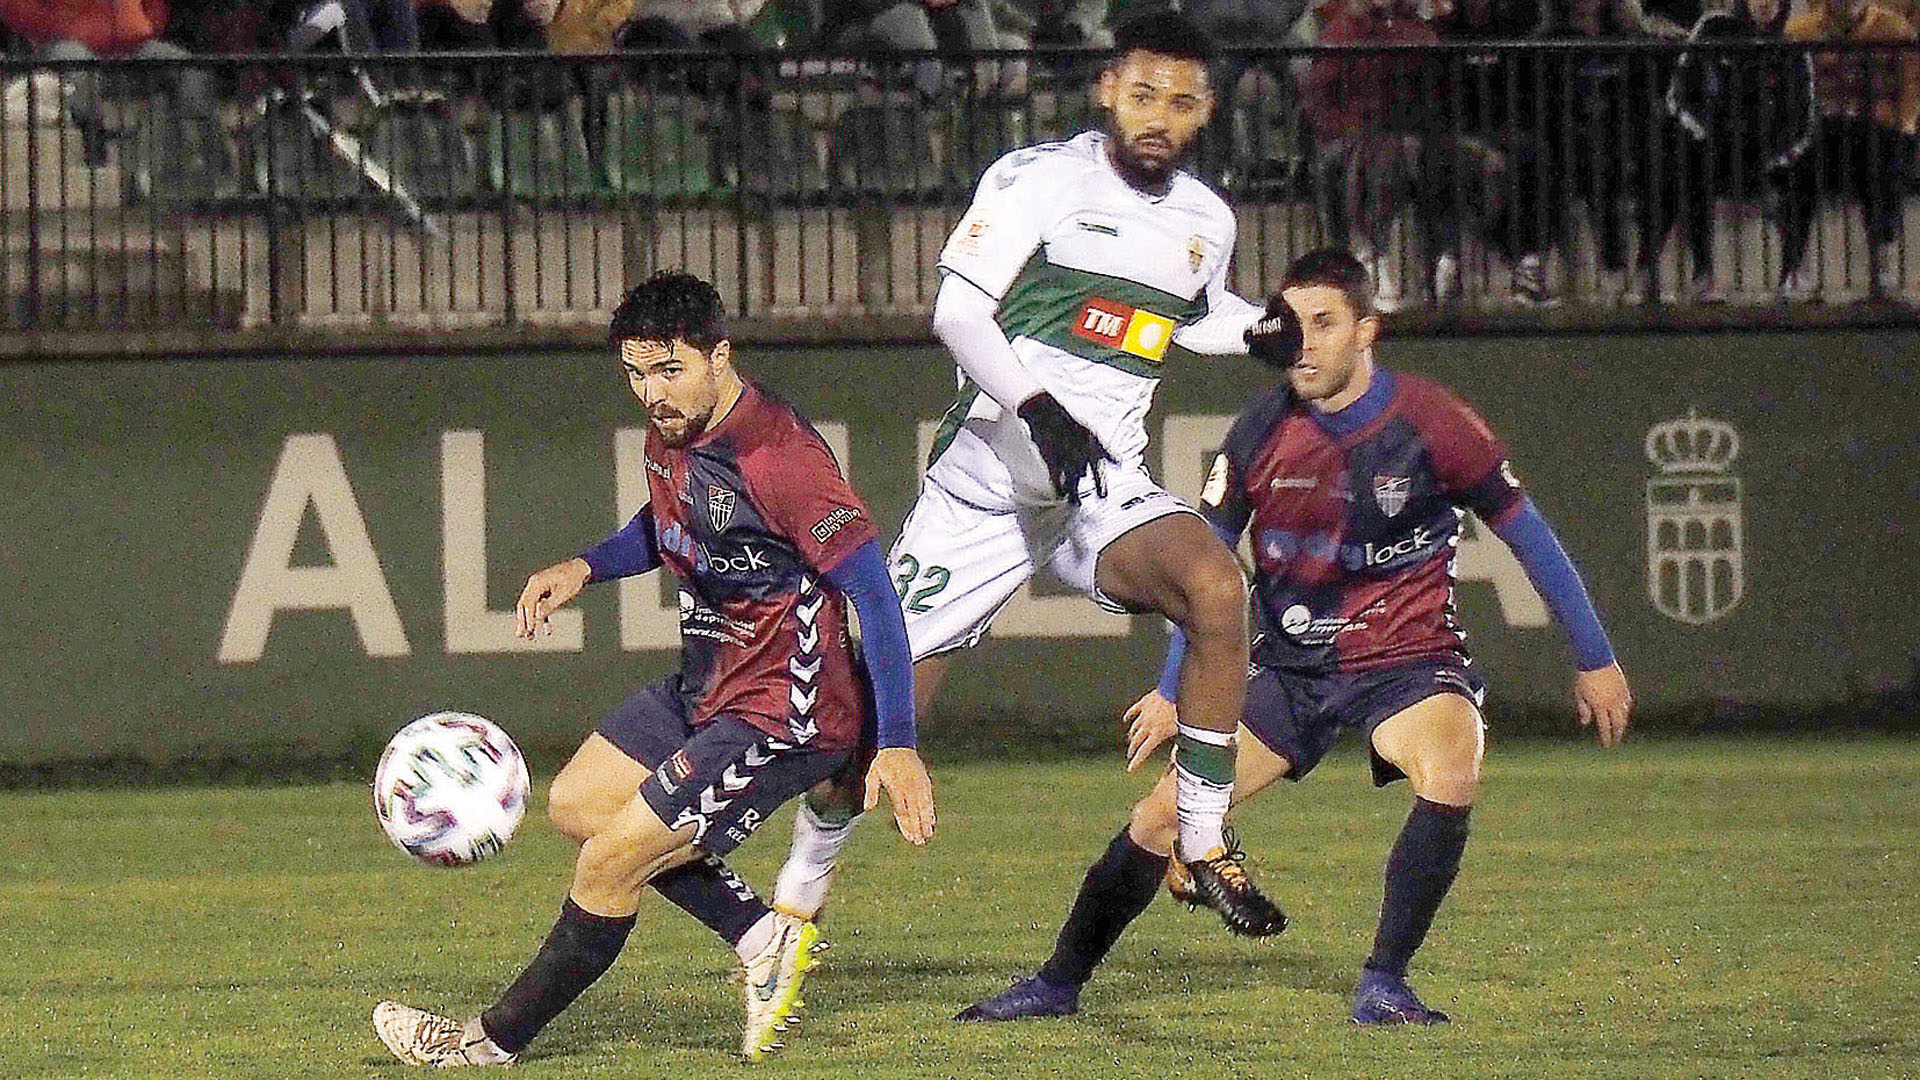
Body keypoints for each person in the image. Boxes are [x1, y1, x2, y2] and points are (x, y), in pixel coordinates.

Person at [955, 247, 1633, 1025]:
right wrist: (1172, 690)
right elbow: (1197, 565)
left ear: (1366, 332)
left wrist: (1597, 660)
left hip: (1408, 664)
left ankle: (1385, 982)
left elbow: (1530, 538)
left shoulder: (1433, 422)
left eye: (1324, 323)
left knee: (1450, 765)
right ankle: (1057, 985)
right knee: (1159, 819)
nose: (1301, 342)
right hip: (1292, 671)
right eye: (1288, 324)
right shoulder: (1258, 433)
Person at [764, 8, 1287, 970]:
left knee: (1218, 588)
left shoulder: (1207, 220)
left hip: (1096, 484)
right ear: (1106, 91)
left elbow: (1195, 316)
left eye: (1179, 99)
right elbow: (958, 310)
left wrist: (1261, 331)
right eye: (1141, 94)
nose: (1158, 115)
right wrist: (1036, 403)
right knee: (857, 733)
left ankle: (1204, 835)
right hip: (985, 487)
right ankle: (792, 912)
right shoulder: (1038, 180)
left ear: (1207, 108)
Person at [370, 272, 937, 1067]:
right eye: (636, 373)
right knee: (578, 805)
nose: (651, 393)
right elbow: (673, 520)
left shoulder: (780, 457)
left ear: (718, 354)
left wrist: (898, 742)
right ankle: (762, 936)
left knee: (608, 865)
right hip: (708, 683)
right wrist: (588, 567)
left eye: (669, 370)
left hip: (784, 711)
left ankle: (483, 1043)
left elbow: (874, 596)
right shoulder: (672, 431)